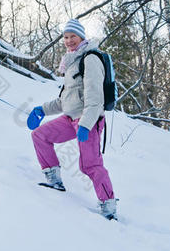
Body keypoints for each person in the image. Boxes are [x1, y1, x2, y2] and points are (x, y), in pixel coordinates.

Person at [27, 19, 117, 220]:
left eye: (73, 37)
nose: (68, 41)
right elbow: (66, 100)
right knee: (40, 135)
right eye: (66, 37)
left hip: (88, 121)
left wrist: (85, 125)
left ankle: (109, 206)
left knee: (90, 165)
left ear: (81, 37)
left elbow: (95, 99)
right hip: (70, 119)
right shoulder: (71, 62)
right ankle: (54, 180)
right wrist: (41, 110)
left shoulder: (90, 59)